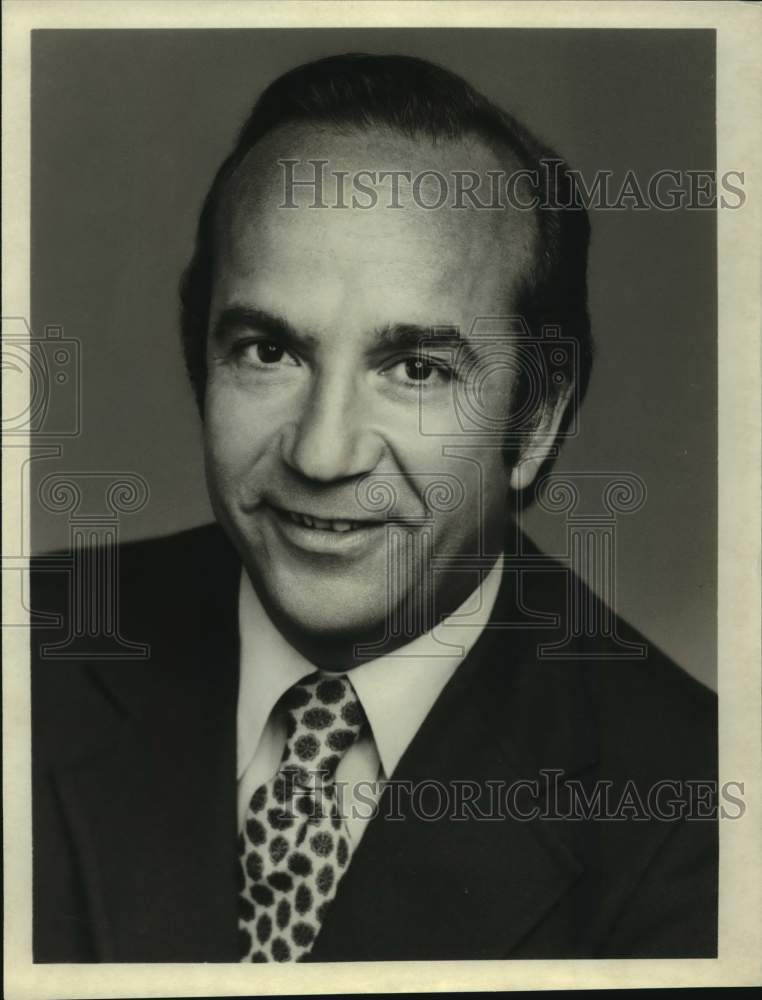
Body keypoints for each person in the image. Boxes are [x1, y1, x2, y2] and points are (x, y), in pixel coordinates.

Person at [31, 53, 717, 963]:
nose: (322, 452)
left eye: (418, 370)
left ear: (539, 419)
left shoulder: (693, 808)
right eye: (268, 350)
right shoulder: (28, 647)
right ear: (202, 360)